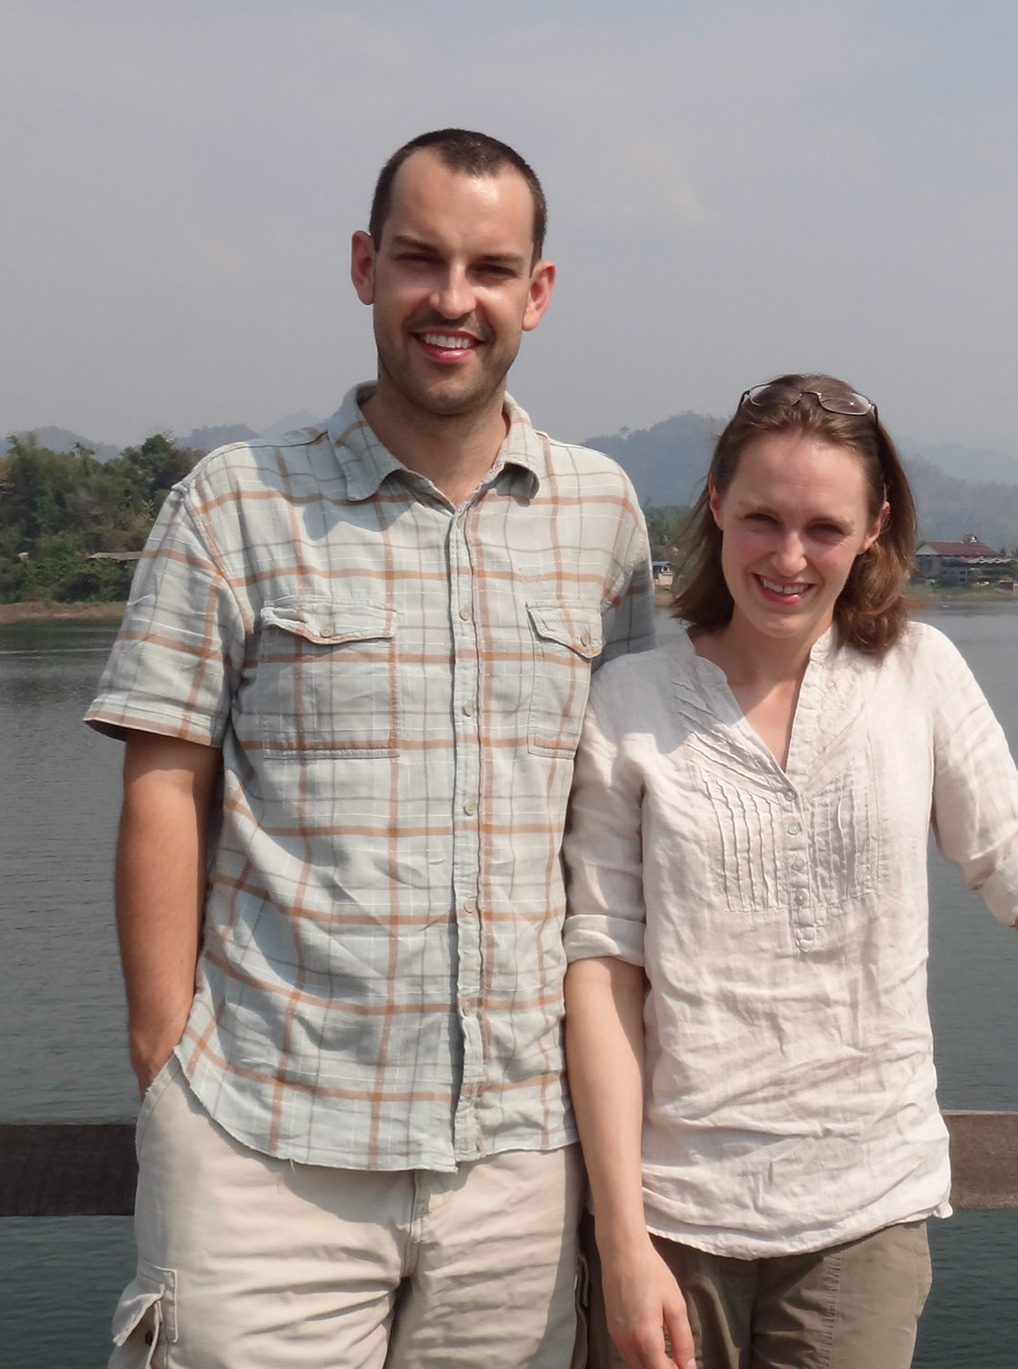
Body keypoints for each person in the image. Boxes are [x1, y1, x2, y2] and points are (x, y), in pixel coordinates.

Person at [561, 375, 1018, 1369]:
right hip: (675, 1220)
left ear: (875, 527)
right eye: (761, 520)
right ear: (714, 506)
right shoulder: (630, 700)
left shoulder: (920, 674)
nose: (787, 557)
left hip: (865, 1212)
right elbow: (604, 967)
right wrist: (621, 1237)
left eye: (823, 527)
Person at [88, 128, 655, 1368]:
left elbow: (614, 822)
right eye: (421, 260)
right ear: (365, 268)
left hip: (514, 1158)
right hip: (263, 1144)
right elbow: (163, 792)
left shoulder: (601, 517)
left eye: (492, 269)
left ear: (537, 294)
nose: (453, 301)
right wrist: (165, 1061)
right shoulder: (235, 504)